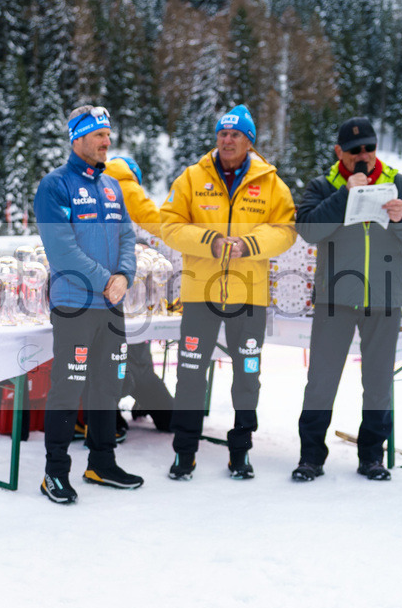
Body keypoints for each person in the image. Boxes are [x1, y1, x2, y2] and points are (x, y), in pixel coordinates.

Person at [293, 117, 402, 482]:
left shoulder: (399, 183)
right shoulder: (324, 186)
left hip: (384, 299)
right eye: (354, 150)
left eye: (369, 148)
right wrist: (344, 196)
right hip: (335, 298)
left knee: (377, 382)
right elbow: (307, 229)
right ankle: (311, 457)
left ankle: (372, 457)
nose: (363, 155)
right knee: (321, 381)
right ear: (339, 151)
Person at [159, 105, 296, 480]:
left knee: (248, 374)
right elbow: (168, 224)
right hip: (200, 293)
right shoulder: (192, 178)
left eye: (235, 134)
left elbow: (286, 229)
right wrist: (210, 241)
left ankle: (241, 451)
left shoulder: (271, 183)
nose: (227, 140)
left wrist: (248, 245)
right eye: (222, 133)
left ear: (249, 141)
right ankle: (184, 452)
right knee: (190, 373)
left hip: (249, 295)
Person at [33, 105, 141, 504]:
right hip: (75, 303)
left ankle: (102, 462)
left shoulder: (112, 186)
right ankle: (55, 472)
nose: (106, 141)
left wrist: (125, 276)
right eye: (98, 134)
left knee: (107, 386)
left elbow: (127, 237)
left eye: (108, 134)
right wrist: (105, 281)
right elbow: (61, 250)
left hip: (112, 305)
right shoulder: (55, 186)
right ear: (77, 138)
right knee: (69, 387)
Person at [103, 155, 175, 431]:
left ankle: (110, 418)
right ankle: (167, 415)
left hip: (100, 289)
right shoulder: (130, 189)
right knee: (137, 359)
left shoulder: (96, 186)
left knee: (107, 358)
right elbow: (156, 227)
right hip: (131, 294)